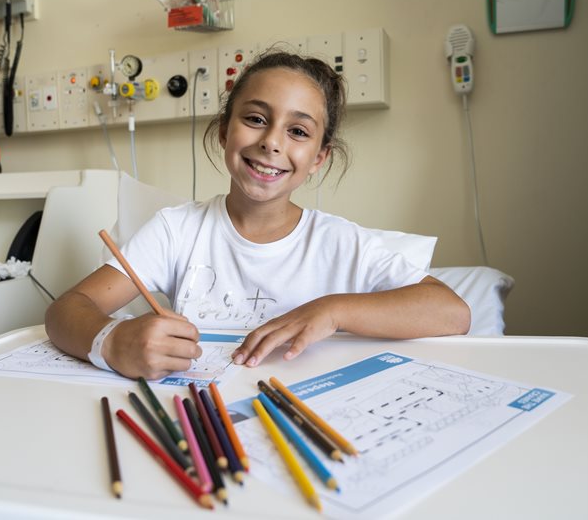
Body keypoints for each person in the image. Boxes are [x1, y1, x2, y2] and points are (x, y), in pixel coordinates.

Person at [45, 51, 470, 380]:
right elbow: (66, 310)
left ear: (319, 158)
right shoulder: (176, 231)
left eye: (298, 131)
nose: (271, 142)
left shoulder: (342, 244)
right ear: (224, 130)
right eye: (255, 119)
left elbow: (453, 312)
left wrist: (332, 310)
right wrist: (113, 341)